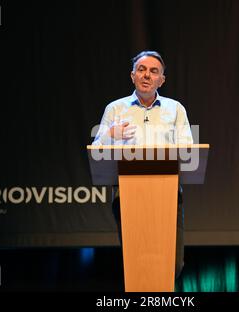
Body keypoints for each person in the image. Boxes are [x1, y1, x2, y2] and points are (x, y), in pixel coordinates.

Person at [92, 51, 193, 279]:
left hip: (168, 195)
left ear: (161, 80)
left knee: (173, 265)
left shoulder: (175, 109)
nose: (147, 75)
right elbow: (97, 151)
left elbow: (188, 151)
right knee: (138, 266)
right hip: (128, 195)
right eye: (141, 69)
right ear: (132, 76)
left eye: (153, 71)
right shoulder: (115, 109)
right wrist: (111, 133)